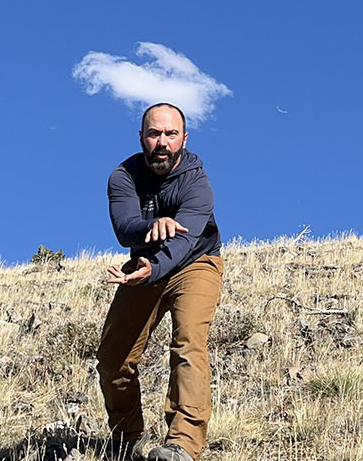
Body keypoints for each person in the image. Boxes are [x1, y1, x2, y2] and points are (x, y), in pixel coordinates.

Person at [97, 102, 223, 461]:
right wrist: (150, 230)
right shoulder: (122, 176)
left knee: (188, 343)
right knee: (113, 359)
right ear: (141, 137)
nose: (162, 142)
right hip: (143, 266)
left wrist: (155, 268)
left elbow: (185, 239)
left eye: (170, 134)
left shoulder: (197, 182)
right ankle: (127, 437)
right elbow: (124, 228)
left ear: (184, 138)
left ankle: (182, 444)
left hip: (196, 263)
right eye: (154, 134)